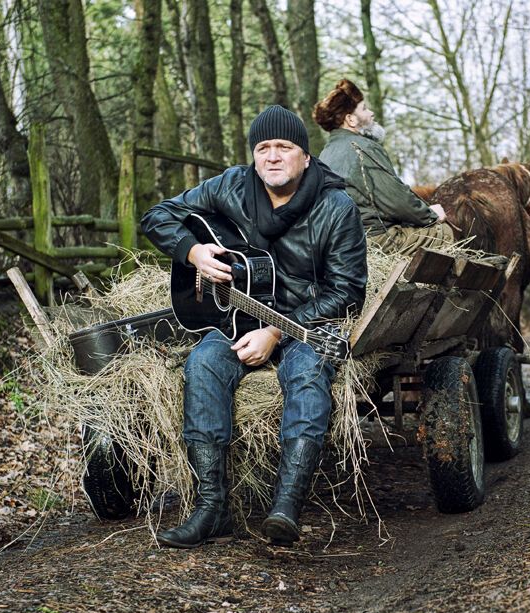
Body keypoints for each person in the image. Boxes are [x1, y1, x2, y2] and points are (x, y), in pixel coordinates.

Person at [140, 105, 368, 548]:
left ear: (305, 156)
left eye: (284, 147)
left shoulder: (336, 207)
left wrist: (276, 332)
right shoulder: (231, 185)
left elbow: (348, 291)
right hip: (238, 315)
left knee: (306, 374)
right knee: (203, 364)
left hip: (307, 322)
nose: (273, 157)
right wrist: (194, 253)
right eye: (263, 148)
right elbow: (158, 216)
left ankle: (285, 506)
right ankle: (212, 510)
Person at [313, 79, 455, 255]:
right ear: (350, 119)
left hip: (337, 245)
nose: (371, 113)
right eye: (364, 109)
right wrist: (431, 215)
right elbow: (396, 200)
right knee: (445, 233)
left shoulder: (324, 155)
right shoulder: (363, 147)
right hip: (372, 243)